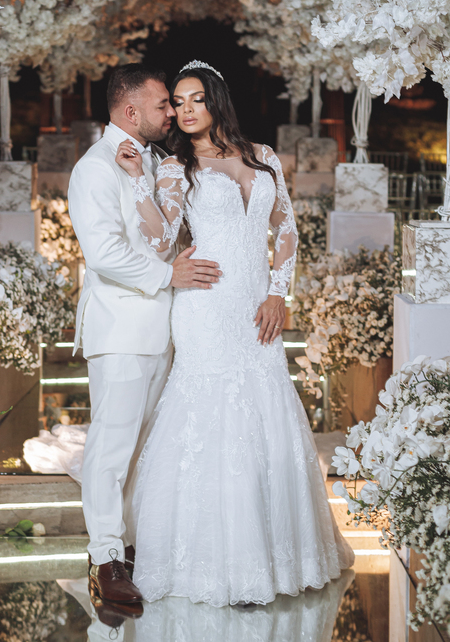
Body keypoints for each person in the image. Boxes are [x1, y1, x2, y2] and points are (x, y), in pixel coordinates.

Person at [117, 60, 354, 605]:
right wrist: (138, 184)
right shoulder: (178, 167)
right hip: (205, 305)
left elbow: (287, 229)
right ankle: (209, 564)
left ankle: (274, 555)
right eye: (177, 102)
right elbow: (161, 236)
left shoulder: (263, 157)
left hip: (257, 305)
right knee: (210, 414)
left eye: (195, 98)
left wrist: (279, 292)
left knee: (265, 407)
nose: (185, 110)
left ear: (216, 100)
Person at [68, 64, 222, 613]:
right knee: (111, 449)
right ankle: (105, 560)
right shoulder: (95, 168)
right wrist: (168, 276)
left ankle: (132, 548)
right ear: (131, 111)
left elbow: (163, 231)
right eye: (163, 104)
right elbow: (104, 253)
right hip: (122, 329)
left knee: (143, 451)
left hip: (165, 330)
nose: (171, 114)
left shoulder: (150, 160)